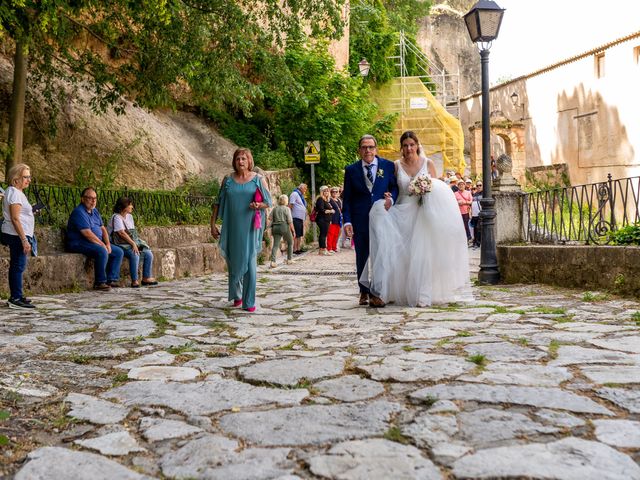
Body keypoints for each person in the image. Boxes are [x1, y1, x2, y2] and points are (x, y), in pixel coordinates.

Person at [364, 131, 472, 307]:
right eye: (405, 145)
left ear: (417, 145)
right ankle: (402, 290)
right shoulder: (396, 166)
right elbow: (393, 187)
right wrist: (388, 197)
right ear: (401, 148)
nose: (409, 148)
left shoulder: (427, 163)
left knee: (424, 254)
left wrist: (425, 191)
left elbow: (438, 188)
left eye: (411, 145)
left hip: (423, 212)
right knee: (403, 254)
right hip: (403, 211)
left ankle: (423, 294)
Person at [211, 148, 272, 312]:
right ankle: (237, 295)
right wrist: (212, 224)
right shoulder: (227, 180)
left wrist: (258, 205)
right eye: (238, 159)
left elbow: (268, 202)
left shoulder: (258, 179)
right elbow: (217, 202)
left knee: (250, 260)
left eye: (244, 158)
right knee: (233, 259)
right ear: (234, 161)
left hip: (251, 225)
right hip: (231, 225)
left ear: (249, 161)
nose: (241, 162)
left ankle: (249, 301)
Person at [342, 134, 399, 307]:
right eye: (364, 147)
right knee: (362, 255)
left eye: (371, 147)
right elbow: (348, 199)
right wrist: (347, 221)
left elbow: (395, 187)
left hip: (381, 218)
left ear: (376, 148)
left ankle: (377, 290)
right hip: (360, 220)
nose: (368, 150)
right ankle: (363, 290)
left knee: (380, 255)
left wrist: (391, 199)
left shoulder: (387, 166)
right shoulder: (351, 170)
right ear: (359, 150)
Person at [66, 187, 124, 291]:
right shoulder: (79, 212)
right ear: (82, 199)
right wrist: (102, 245)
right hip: (79, 242)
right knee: (102, 251)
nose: (93, 201)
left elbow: (103, 229)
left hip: (94, 242)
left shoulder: (95, 211)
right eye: (90, 198)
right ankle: (100, 282)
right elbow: (87, 234)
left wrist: (108, 244)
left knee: (118, 252)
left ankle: (112, 279)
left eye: (95, 198)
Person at [1, 164, 36, 309]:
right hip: (16, 234)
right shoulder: (14, 193)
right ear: (16, 179)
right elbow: (15, 218)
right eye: (25, 177)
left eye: (29, 177)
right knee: (18, 266)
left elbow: (19, 215)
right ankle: (15, 298)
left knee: (18, 265)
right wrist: (24, 239)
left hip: (18, 233)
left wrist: (31, 212)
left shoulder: (15, 192)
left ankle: (18, 295)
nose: (28, 180)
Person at [108, 197, 158, 288]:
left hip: (129, 242)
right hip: (119, 243)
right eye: (130, 205)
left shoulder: (130, 217)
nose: (132, 206)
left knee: (148, 253)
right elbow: (121, 233)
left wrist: (137, 243)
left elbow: (132, 232)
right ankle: (134, 280)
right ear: (124, 206)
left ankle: (146, 277)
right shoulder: (116, 217)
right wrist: (133, 244)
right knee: (134, 253)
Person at [268, 194, 295, 267]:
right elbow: (290, 221)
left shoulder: (275, 208)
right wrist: (293, 231)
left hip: (275, 227)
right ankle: (289, 260)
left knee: (275, 245)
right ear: (286, 201)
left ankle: (273, 262)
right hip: (284, 227)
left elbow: (270, 219)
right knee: (290, 242)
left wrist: (268, 228)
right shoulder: (287, 209)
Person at [314, 185, 335, 256]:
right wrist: (331, 211)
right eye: (324, 191)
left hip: (326, 219)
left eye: (327, 190)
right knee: (323, 235)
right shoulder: (320, 199)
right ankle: (323, 250)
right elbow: (322, 210)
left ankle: (321, 250)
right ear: (321, 192)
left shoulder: (326, 200)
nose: (326, 192)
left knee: (323, 234)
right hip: (322, 219)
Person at [289, 183, 307, 254]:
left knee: (299, 234)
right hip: (295, 217)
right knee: (296, 234)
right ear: (301, 188)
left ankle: (298, 248)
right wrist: (289, 215)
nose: (305, 190)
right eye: (305, 188)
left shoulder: (300, 195)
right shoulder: (295, 194)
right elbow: (291, 204)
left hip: (300, 217)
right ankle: (294, 249)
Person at [327, 186, 343, 253]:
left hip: (339, 219)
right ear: (331, 192)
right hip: (332, 219)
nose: (335, 193)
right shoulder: (329, 200)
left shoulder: (339, 200)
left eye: (336, 191)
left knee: (336, 234)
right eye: (333, 192)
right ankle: (329, 248)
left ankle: (334, 247)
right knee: (331, 234)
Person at [470, 181, 483, 248]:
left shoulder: (484, 194)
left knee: (478, 229)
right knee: (475, 229)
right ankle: (475, 242)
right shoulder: (475, 194)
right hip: (474, 215)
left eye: (480, 185)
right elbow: (472, 204)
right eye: (477, 185)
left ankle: (478, 243)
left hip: (480, 214)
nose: (479, 187)